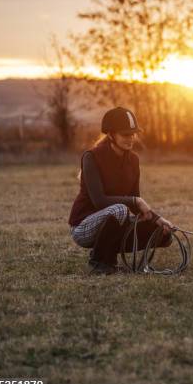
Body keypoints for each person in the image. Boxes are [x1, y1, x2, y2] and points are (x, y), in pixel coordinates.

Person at [68, 107, 173, 274]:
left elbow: (134, 205)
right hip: (83, 226)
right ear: (111, 135)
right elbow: (99, 201)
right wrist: (134, 201)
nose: (131, 138)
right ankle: (100, 261)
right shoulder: (91, 157)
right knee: (119, 210)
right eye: (125, 134)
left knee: (163, 234)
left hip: (116, 219)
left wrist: (156, 219)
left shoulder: (133, 160)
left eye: (133, 134)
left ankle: (108, 257)